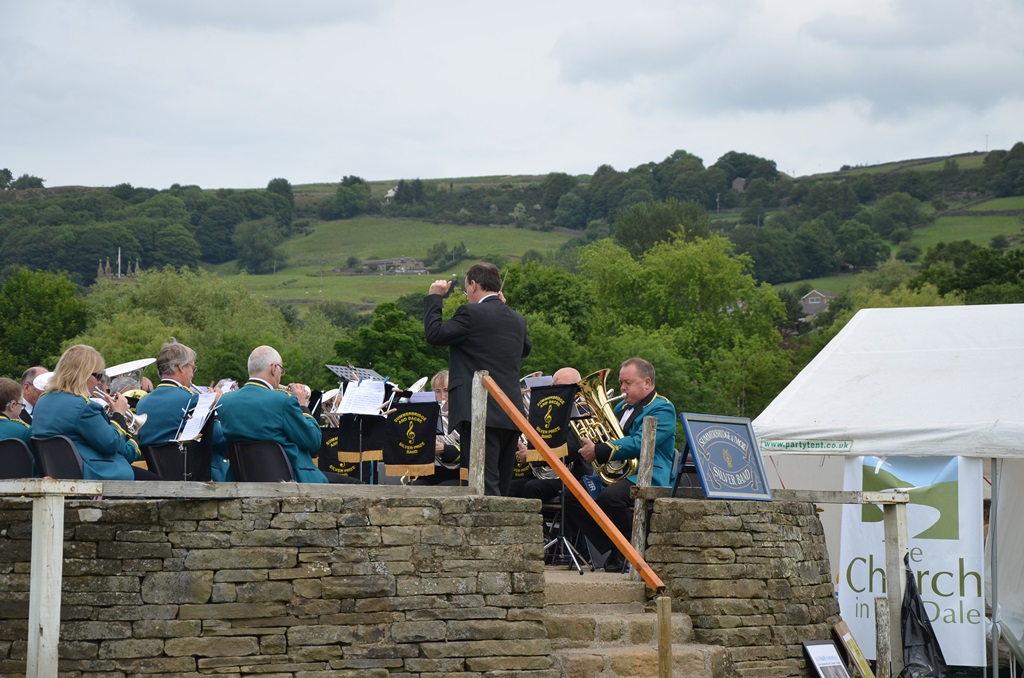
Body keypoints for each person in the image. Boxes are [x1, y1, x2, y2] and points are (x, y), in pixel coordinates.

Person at [424, 263, 531, 496]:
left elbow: (434, 335)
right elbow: (524, 349)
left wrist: (434, 297)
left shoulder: (470, 313)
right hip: (511, 409)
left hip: (480, 411)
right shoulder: (517, 318)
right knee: (503, 482)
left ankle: (490, 531)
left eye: (465, 288)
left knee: (484, 481)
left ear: (473, 284)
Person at [566, 357, 676, 572]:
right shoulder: (620, 407)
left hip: (648, 473)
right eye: (621, 382)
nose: (622, 388)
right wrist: (591, 442)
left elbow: (640, 442)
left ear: (647, 382)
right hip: (619, 472)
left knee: (610, 497)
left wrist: (599, 450)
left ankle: (630, 548)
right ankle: (616, 547)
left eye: (628, 383)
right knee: (571, 495)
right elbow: (607, 436)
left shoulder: (662, 408)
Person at [30, 345, 161, 480]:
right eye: (98, 375)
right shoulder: (83, 406)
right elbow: (111, 444)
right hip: (93, 475)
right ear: (84, 374)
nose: (99, 381)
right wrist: (119, 414)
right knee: (162, 486)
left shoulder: (42, 401)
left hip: (56, 474)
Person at [217, 345, 329, 484]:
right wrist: (302, 404)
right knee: (354, 484)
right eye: (281, 371)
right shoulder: (283, 400)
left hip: (243, 481)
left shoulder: (225, 402)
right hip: (292, 480)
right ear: (274, 368)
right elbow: (313, 441)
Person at [136, 340, 231, 481]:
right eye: (192, 368)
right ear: (181, 368)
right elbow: (219, 438)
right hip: (193, 477)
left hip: (158, 476)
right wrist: (217, 408)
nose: (193, 374)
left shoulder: (142, 402)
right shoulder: (193, 399)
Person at [509, 367, 591, 501]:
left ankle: (538, 523)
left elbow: (572, 449)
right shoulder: (552, 409)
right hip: (548, 475)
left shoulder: (583, 411)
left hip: (573, 476)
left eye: (562, 387)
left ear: (576, 389)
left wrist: (532, 455)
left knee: (532, 488)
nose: (556, 392)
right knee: (510, 487)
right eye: (554, 386)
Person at [411, 370, 462, 486]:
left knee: (442, 488)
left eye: (446, 390)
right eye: (437, 391)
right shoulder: (429, 413)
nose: (442, 396)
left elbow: (470, 449)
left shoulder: (463, 414)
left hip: (456, 472)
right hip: (430, 471)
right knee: (414, 488)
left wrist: (444, 448)